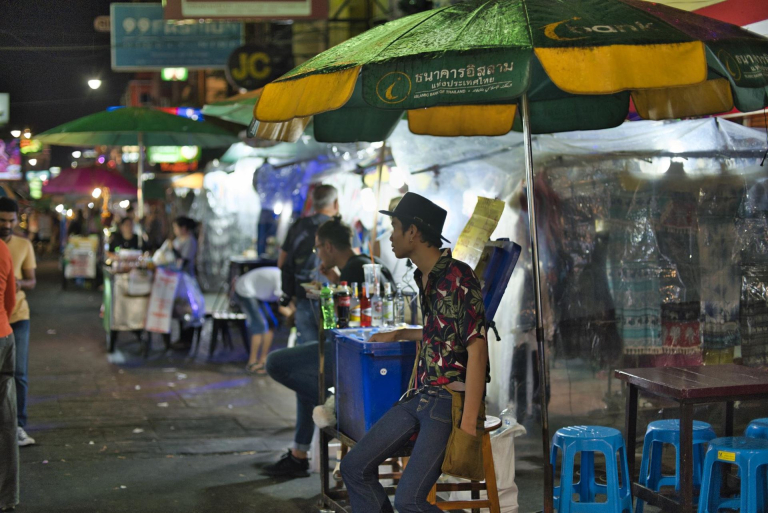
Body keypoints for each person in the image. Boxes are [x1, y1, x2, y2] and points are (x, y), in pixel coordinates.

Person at [339, 192, 490, 513]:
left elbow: (477, 350)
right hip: (420, 395)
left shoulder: (459, 277)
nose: (390, 236)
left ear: (413, 232)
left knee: (409, 501)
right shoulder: (425, 277)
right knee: (354, 467)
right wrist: (399, 334)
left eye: (395, 227)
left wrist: (467, 424)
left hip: (447, 402)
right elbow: (443, 331)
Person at [264, 218, 393, 479]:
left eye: (318, 248)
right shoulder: (370, 263)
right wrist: (335, 281)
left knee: (276, 363)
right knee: (307, 379)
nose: (318, 254)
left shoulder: (355, 269)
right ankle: (300, 452)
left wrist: (327, 296)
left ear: (329, 247)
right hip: (371, 354)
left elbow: (342, 321)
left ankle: (336, 407)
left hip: (354, 353)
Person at [278, 185, 338, 345]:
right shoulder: (339, 228)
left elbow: (281, 262)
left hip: (303, 298)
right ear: (336, 203)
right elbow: (351, 263)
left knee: (307, 349)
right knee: (332, 347)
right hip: (329, 300)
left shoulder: (298, 226)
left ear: (313, 202)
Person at [0, 198, 36, 448]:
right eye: (2, 220)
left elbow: (31, 280)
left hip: (17, 317)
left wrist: (19, 283)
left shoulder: (23, 245)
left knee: (19, 373)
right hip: (4, 321)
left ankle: (18, 425)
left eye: (10, 220)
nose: (6, 225)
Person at [233, 267, 281, 374]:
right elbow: (283, 307)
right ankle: (252, 363)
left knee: (271, 323)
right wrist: (293, 314)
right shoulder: (281, 279)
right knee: (259, 326)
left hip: (257, 292)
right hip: (245, 289)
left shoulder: (285, 279)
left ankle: (263, 361)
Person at [0, 237, 18, 512]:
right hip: (4, 336)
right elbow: (10, 300)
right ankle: (7, 497)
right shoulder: (2, 247)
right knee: (6, 419)